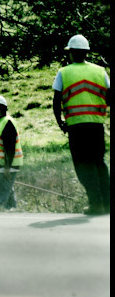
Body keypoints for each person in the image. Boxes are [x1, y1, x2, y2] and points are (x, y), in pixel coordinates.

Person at [52, 34, 110, 215]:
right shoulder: (100, 71)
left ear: (71, 53)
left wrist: (60, 122)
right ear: (86, 52)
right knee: (99, 163)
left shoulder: (64, 72)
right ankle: (107, 203)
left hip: (76, 126)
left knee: (83, 165)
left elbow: (56, 100)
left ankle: (96, 204)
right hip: (96, 125)